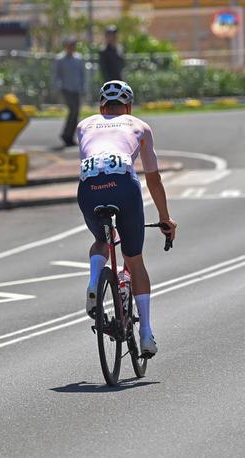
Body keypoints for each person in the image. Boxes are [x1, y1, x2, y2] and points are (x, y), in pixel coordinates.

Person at [76, 80, 177, 357]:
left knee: (101, 240)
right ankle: (145, 334)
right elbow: (153, 179)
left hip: (89, 187)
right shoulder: (138, 126)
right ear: (129, 107)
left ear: (101, 107)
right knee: (134, 259)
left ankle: (94, 281)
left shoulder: (84, 125)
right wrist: (165, 218)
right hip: (123, 185)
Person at [52, 37, 86, 147]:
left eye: (73, 45)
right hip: (66, 89)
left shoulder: (78, 59)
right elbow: (56, 75)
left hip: (76, 89)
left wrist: (84, 88)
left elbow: (83, 75)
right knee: (73, 110)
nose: (71, 47)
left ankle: (69, 136)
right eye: (69, 45)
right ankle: (66, 134)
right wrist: (57, 88)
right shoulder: (60, 59)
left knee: (76, 113)